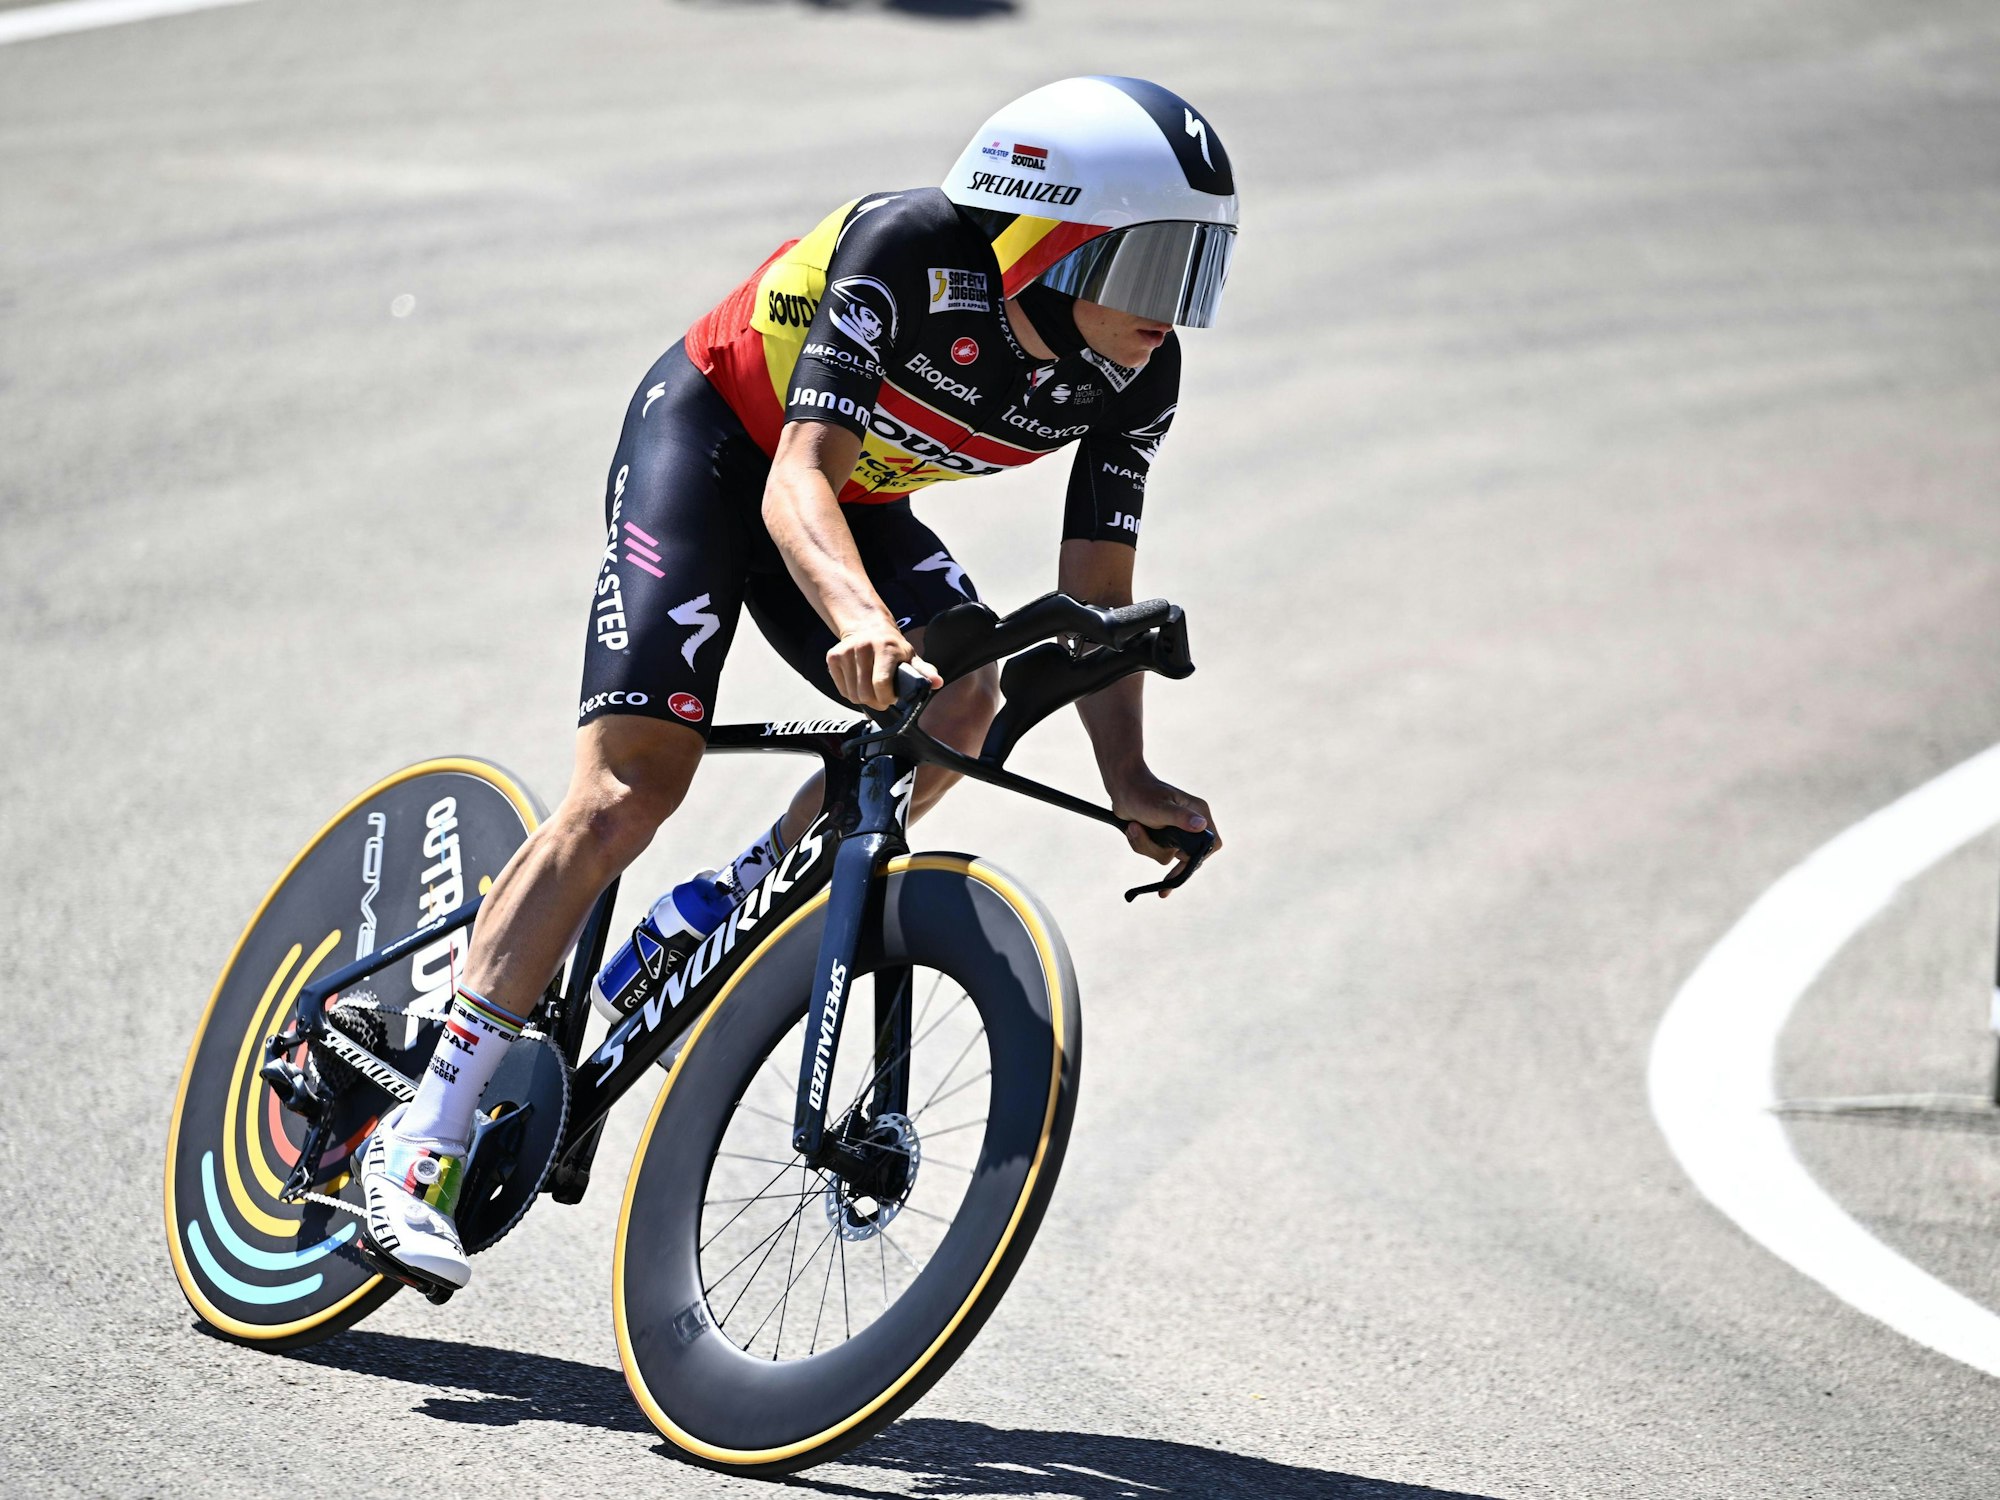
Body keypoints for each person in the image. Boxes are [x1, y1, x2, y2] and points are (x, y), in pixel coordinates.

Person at [358, 76, 1238, 1293]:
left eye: (1195, 271)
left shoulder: (1139, 377)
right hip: (721, 444)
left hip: (857, 503)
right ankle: (425, 1133)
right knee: (627, 790)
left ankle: (730, 896)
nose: (1170, 311)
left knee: (962, 705)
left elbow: (1094, 593)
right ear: (1047, 238)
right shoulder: (907, 251)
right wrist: (862, 622)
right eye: (1150, 270)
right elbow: (791, 484)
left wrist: (1128, 774)